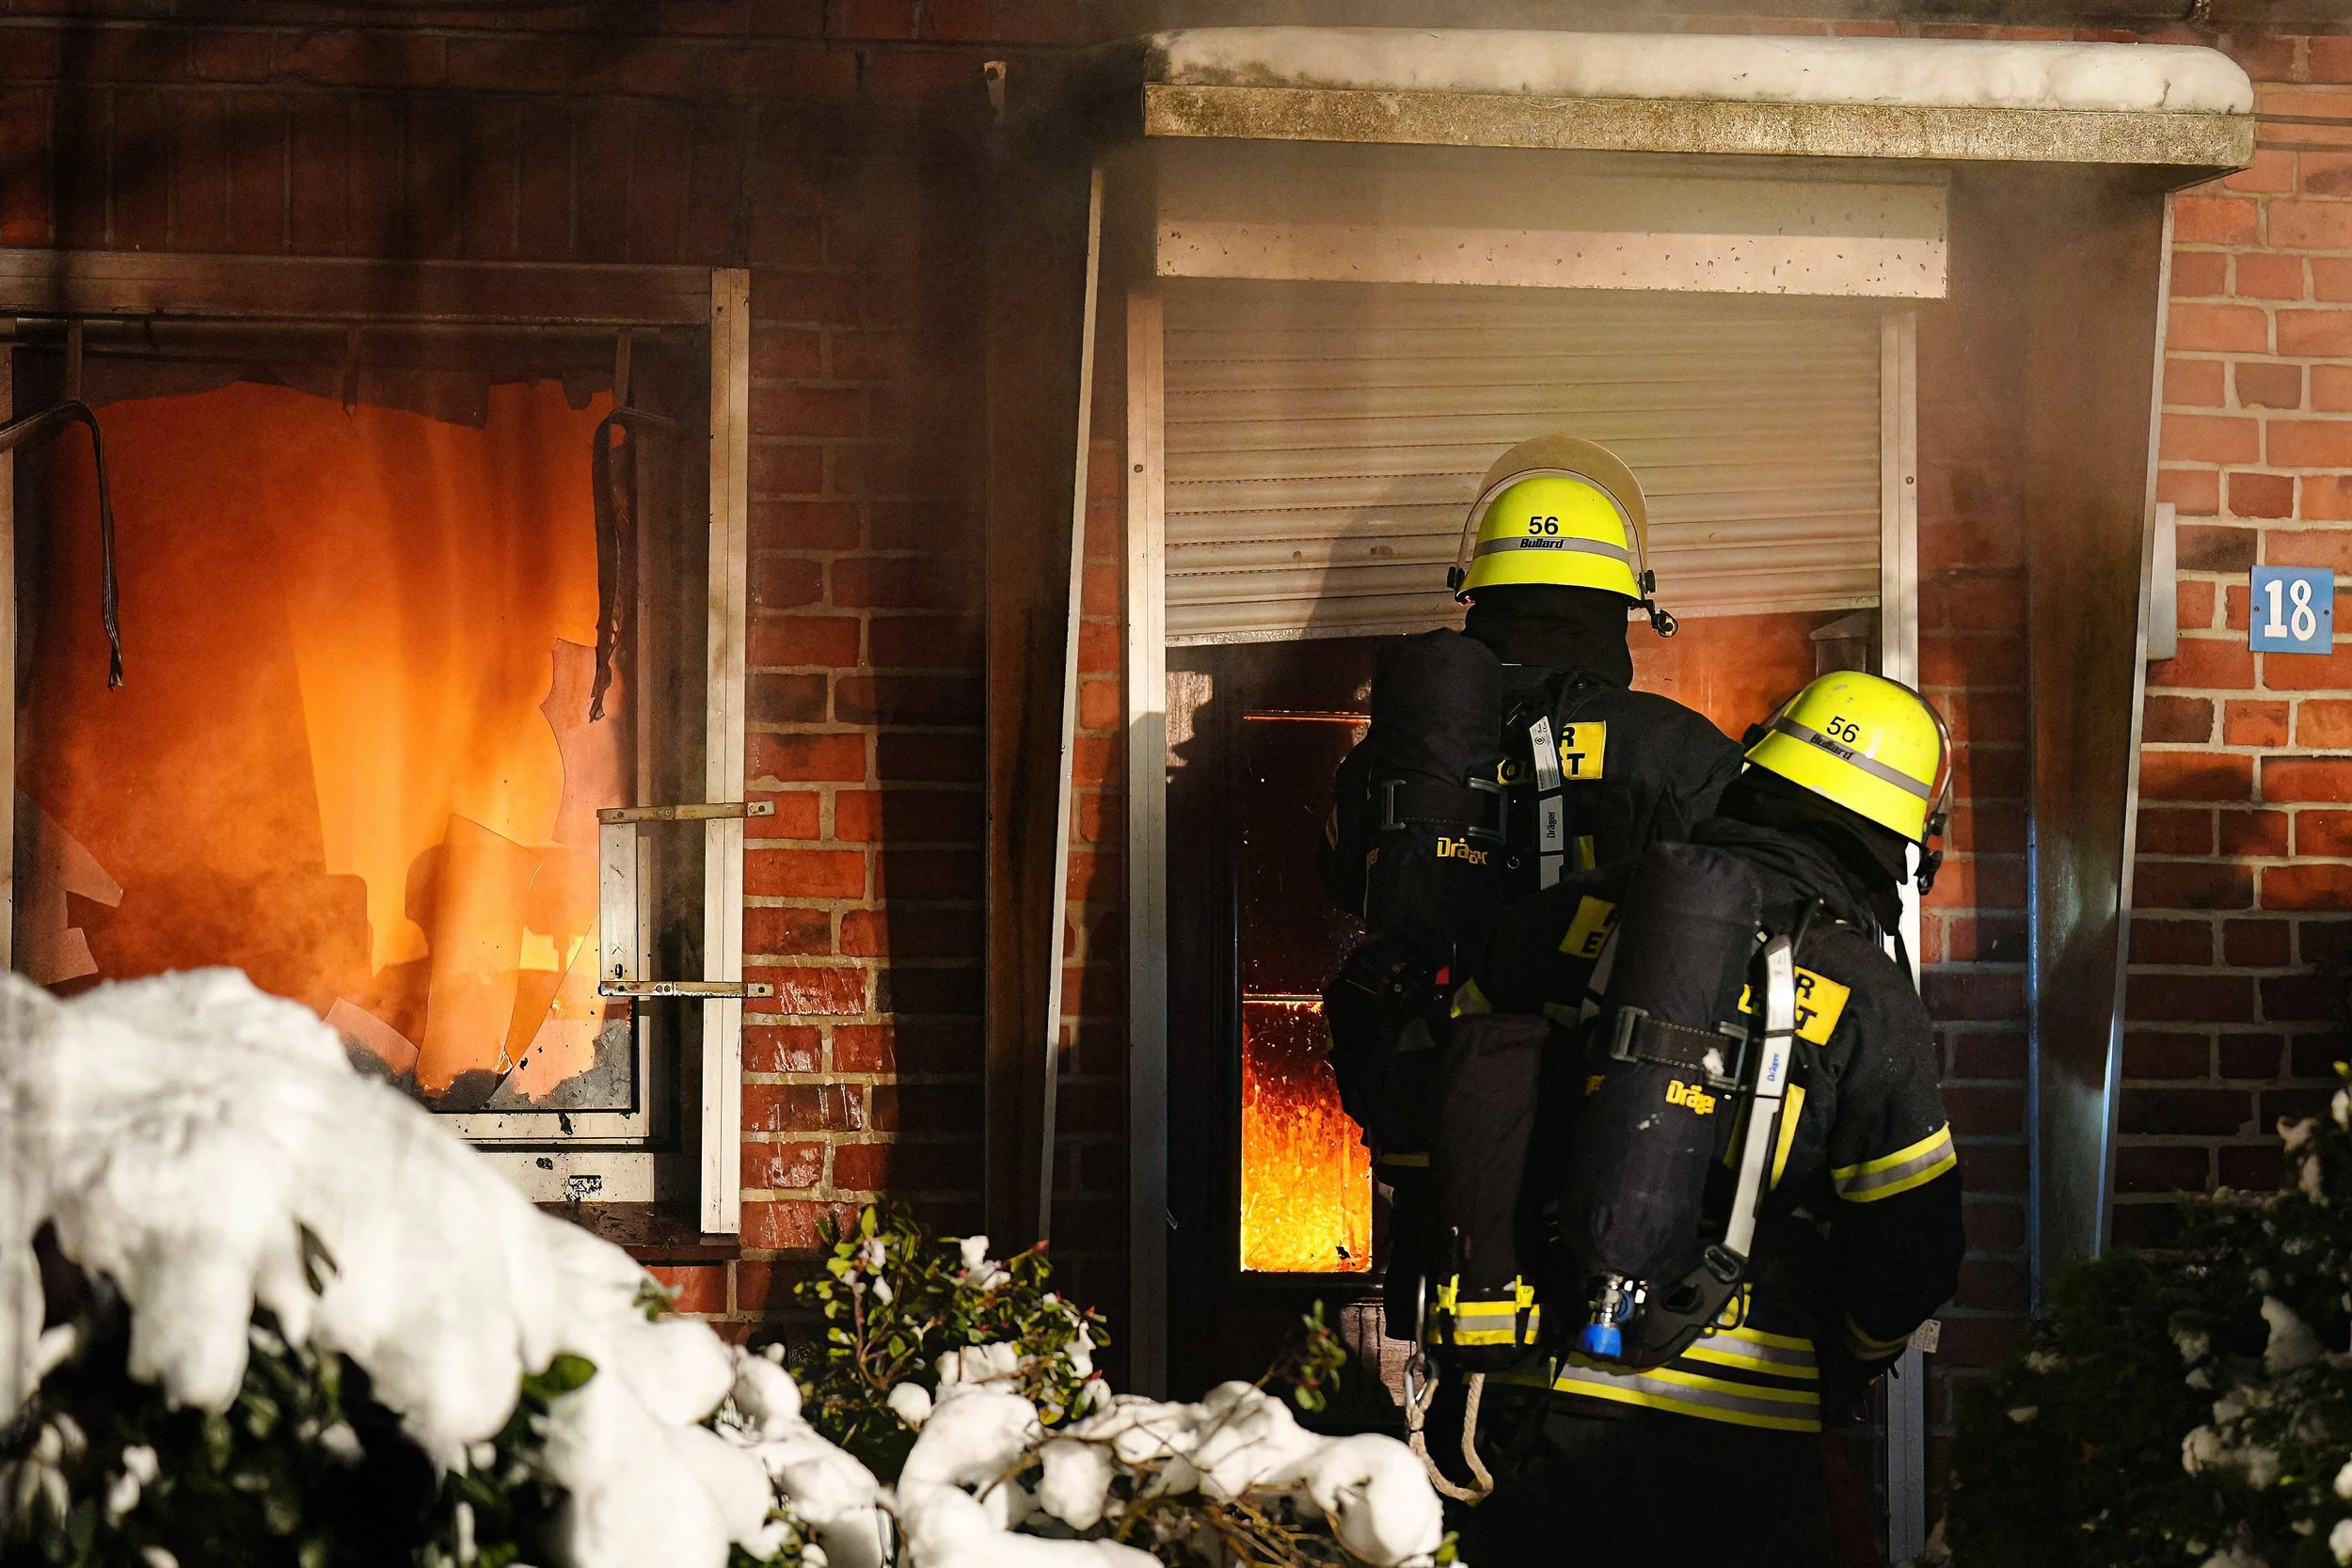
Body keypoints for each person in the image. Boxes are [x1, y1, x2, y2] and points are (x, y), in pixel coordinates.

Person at [1452, 669, 1968, 1568]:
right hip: (1747, 1447)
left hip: (1532, 1411)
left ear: (1755, 771)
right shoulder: (1867, 995)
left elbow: (1451, 1119)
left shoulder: (1557, 920)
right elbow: (1912, 1252)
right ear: (1899, 842)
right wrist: (1842, 1360)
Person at [1314, 434, 1743, 1362]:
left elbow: (1348, 885)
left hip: (1437, 1127)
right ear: (1627, 608)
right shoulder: (1673, 747)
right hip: (1612, 1136)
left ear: (1475, 597)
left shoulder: (1397, 758)